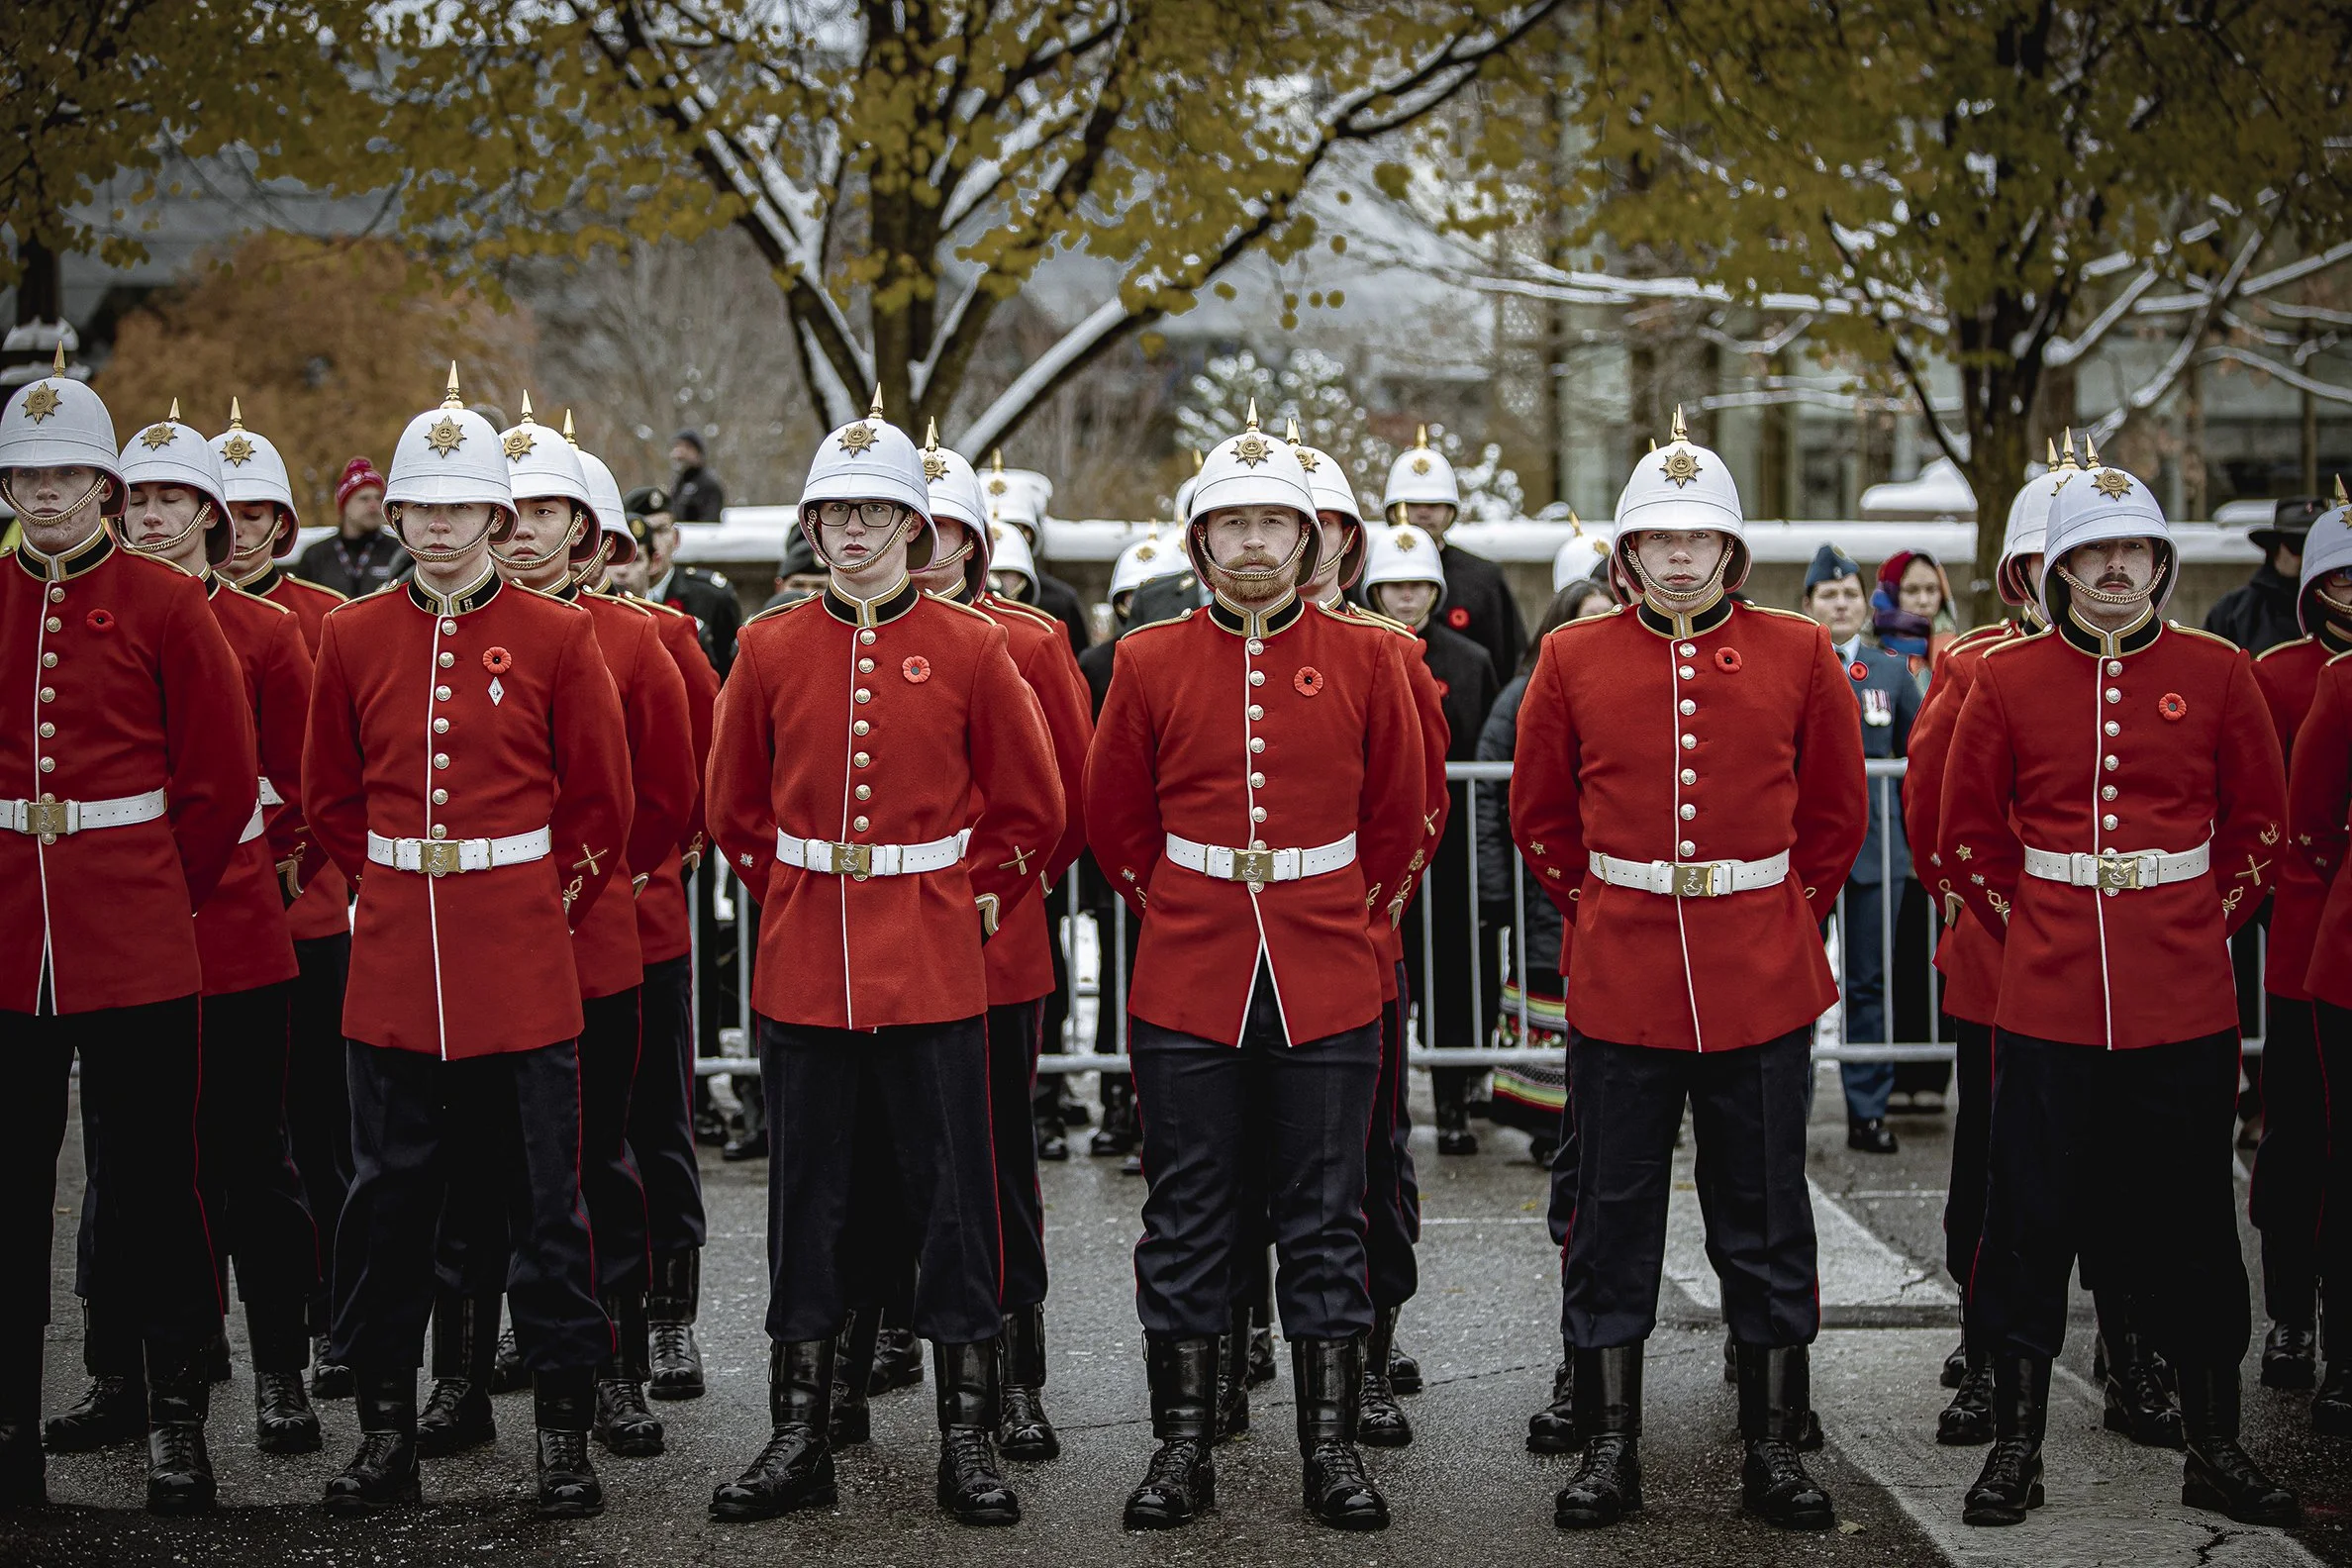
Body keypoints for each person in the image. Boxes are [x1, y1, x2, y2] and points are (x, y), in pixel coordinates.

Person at [702, 395, 1061, 1527]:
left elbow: (1031, 810)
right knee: (808, 1201)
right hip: (811, 962)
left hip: (935, 961)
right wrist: (805, 896)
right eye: (836, 514)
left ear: (916, 525)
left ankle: (967, 1436)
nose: (854, 533)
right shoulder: (767, 646)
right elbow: (734, 810)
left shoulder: (973, 645)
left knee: (955, 1200)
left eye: (877, 513)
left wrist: (969, 907)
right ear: (811, 530)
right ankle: (798, 1430)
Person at [1511, 407, 1865, 1533]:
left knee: (1764, 1218)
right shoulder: (1571, 655)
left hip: (1759, 972)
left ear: (1729, 552)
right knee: (1611, 1217)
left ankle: (1773, 1446)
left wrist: (1768, 915)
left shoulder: (1800, 651)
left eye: (1695, 538)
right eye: (1656, 539)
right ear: (1625, 555)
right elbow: (1540, 817)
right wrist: (1616, 904)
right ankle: (1610, 1447)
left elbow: (1834, 817)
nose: (1676, 556)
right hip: (1622, 975)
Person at [1938, 460, 2297, 1528]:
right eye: (2091, 555)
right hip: (2045, 1005)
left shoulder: (2220, 672)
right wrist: (2043, 929)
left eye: (2130, 552)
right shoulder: (2005, 679)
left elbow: (2259, 830)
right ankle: (2015, 1444)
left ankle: (2214, 1442)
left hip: (2182, 1004)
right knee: (2028, 1221)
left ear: (2160, 563)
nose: (2112, 572)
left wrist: (2190, 928)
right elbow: (1965, 837)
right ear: (2057, 569)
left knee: (2193, 1221)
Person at [1086, 411, 1426, 1533]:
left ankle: (1329, 1450)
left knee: (1329, 1214)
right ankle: (1182, 1449)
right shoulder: (1146, 659)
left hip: (1328, 963)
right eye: (1230, 521)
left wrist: (1343, 911)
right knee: (1187, 1214)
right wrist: (1187, 905)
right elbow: (1118, 822)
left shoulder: (1374, 656)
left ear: (1309, 538)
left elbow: (1403, 813)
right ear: (1199, 541)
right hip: (1191, 967)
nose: (1252, 541)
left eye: (1272, 521)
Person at [302, 367, 633, 1519]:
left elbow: (602, 806)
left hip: (522, 960)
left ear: (498, 517)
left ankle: (561, 1440)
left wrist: (543, 910)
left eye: (460, 509)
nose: (439, 530)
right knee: (387, 1205)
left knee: (546, 1209)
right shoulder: (348, 634)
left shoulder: (557, 634)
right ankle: (386, 1434)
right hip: (396, 963)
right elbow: (328, 798)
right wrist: (394, 891)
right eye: (420, 510)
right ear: (394, 519)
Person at [0, 353, 255, 1513]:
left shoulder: (166, 606)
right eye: (25, 477)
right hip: (11, 940)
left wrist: (163, 899)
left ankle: (174, 1425)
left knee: (155, 1188)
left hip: (140, 934)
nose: (44, 495)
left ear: (108, 486)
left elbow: (217, 782)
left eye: (67, 476)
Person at [419, 406, 695, 1468]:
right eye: (515, 508)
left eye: (549, 511)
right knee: (465, 1171)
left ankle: (611, 1369)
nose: (528, 530)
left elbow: (660, 801)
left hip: (589, 943)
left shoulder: (635, 640)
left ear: (586, 529)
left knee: (591, 1167)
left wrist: (574, 891)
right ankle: (462, 1373)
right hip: (469, 947)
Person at [95, 404, 324, 1463]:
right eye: (135, 497)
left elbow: (307, 781)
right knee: (130, 1169)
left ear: (212, 515)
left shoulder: (267, 632)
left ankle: (281, 1370)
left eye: (170, 500)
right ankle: (128, 1374)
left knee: (251, 1158)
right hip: (119, 932)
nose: (149, 518)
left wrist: (269, 860)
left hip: (232, 922)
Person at [1900, 439, 2063, 1448]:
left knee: (2135, 1167)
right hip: (2006, 954)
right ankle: (1988, 1343)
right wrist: (1984, 907)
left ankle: (2133, 1344)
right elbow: (1934, 811)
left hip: (2132, 964)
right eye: (2056, 562)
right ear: (2021, 574)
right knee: (1996, 1166)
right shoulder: (1974, 664)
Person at [1293, 434, 1448, 1449]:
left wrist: (1369, 915)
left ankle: (1368, 1351)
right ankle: (1224, 1356)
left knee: (1365, 1169)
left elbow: (1416, 809)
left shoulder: (1392, 657)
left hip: (1356, 955)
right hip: (1236, 953)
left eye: (1320, 530)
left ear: (1346, 543)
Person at [214, 402, 360, 1402]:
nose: (235, 526)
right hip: (201, 917)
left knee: (319, 1129)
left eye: (251, 512)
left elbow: (325, 774)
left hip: (303, 912)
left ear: (276, 523)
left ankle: (336, 1314)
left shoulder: (316, 618)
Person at [602, 488, 721, 1405]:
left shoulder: (664, 634)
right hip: (525, 938)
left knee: (653, 1125)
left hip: (638, 921)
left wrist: (646, 868)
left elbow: (695, 779)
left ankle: (667, 1311)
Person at [1360, 521, 1500, 1155]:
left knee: (1453, 977)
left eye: (1419, 586)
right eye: (1394, 587)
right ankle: (1382, 1105)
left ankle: (1452, 1103)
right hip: (1382, 848)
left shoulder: (1469, 662)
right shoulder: (1362, 650)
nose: (1407, 598)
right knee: (1385, 975)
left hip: (1450, 848)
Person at [2259, 486, 2352, 1428]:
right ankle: (2289, 1312)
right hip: (2306, 937)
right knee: (2300, 1143)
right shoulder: (2283, 673)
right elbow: (2293, 819)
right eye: (2341, 577)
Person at [1478, 579, 1614, 1162]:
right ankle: (1542, 1119)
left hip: (1612, 876)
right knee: (1543, 989)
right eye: (1585, 618)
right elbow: (1497, 791)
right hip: (1544, 877)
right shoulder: (1522, 692)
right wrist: (1494, 883)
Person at [1076, 530, 1194, 1167]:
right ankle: (1117, 1101)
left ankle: (1151, 1107)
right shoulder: (1102, 664)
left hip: (1189, 860)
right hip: (1128, 857)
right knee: (1119, 978)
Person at [1800, 542, 1921, 1154]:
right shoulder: (1794, 668)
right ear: (1808, 605)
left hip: (1878, 853)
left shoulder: (1893, 672)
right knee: (1796, 982)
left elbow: (1916, 763)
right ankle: (1788, 1104)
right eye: (1829, 595)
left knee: (1871, 983)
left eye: (1850, 594)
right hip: (1810, 855)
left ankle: (1867, 1110)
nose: (1841, 604)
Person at [1379, 425, 1523, 684]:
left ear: (1450, 511)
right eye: (1412, 504)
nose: (1423, 513)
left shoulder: (1485, 579)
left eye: (1434, 504)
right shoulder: (1368, 575)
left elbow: (1510, 663)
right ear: (1391, 511)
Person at [983, 452, 1092, 657]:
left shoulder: (1060, 600)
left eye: (1016, 527)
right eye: (990, 528)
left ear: (1030, 534)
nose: (1002, 536)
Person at [638, 493, 742, 677]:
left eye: (661, 531)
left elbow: (731, 673)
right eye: (644, 532)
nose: (653, 543)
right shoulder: (613, 597)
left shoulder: (712, 597)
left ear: (676, 538)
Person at [2207, 495, 2326, 655]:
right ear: (2275, 548)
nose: (2308, 556)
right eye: (2298, 544)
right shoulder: (2234, 612)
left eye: (2317, 547)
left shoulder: (2340, 612)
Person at [294, 455, 412, 598]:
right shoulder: (316, 556)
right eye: (364, 499)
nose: (374, 506)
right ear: (344, 505)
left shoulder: (399, 552)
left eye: (379, 498)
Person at [1871, 548, 1956, 686]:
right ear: (1892, 594)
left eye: (1931, 589)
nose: (1923, 600)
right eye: (1912, 590)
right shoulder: (1867, 649)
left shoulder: (1958, 650)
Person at [667, 431, 725, 522]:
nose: (679, 452)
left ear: (698, 453)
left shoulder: (708, 484)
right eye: (677, 446)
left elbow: (710, 522)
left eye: (687, 447)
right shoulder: (679, 482)